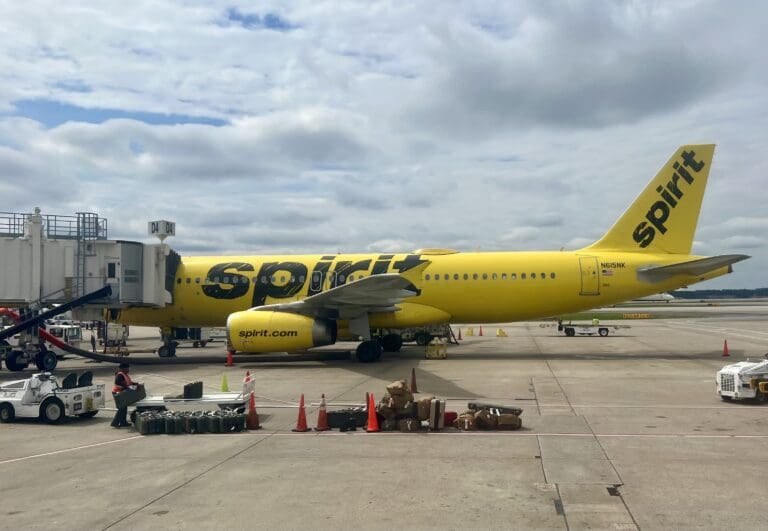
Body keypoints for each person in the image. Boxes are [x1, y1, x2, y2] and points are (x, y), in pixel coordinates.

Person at [111, 363, 139, 428]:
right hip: (118, 393)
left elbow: (129, 382)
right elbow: (118, 383)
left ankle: (123, 422)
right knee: (122, 408)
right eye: (127, 368)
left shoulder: (124, 374)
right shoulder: (119, 375)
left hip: (123, 393)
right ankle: (115, 423)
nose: (128, 370)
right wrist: (127, 387)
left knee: (124, 408)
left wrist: (135, 384)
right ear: (123, 369)